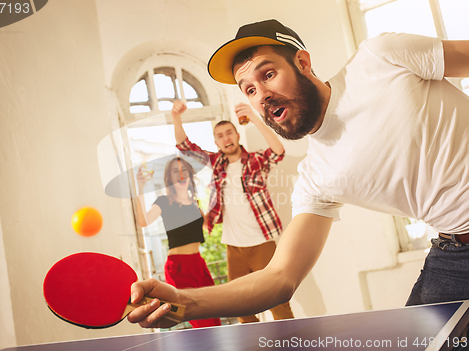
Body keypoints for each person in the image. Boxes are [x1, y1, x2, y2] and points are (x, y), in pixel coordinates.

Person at [127, 19, 469, 329]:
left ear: (303, 63)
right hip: (455, 250)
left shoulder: (380, 58)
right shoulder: (315, 177)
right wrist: (184, 301)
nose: (261, 95)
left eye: (268, 74)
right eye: (249, 89)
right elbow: (279, 278)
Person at [169, 99, 294, 323]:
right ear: (216, 142)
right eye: (220, 135)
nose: (226, 138)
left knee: (279, 304)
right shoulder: (216, 163)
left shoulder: (255, 161)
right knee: (241, 309)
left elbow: (278, 151)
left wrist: (255, 118)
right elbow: (186, 147)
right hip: (234, 247)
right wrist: (176, 118)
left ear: (237, 136)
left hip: (262, 244)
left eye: (229, 133)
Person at [135, 156, 221, 328]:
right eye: (175, 171)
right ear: (170, 178)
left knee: (214, 316)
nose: (181, 173)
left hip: (198, 264)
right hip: (179, 267)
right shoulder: (164, 202)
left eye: (184, 170)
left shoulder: (195, 203)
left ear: (189, 175)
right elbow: (144, 221)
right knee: (201, 321)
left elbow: (209, 224)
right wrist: (140, 187)